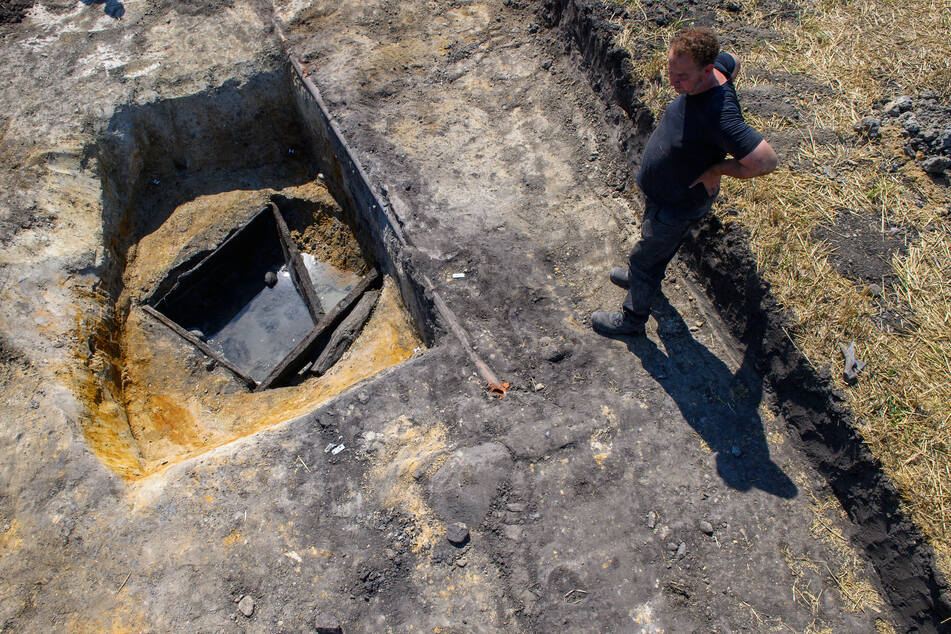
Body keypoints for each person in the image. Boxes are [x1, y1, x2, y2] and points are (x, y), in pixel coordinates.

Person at [591, 27, 777, 337]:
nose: (673, 82)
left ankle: (632, 320)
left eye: (682, 77)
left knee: (644, 257)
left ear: (706, 70)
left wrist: (718, 168)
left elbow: (766, 161)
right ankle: (646, 283)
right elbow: (734, 60)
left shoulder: (721, 116)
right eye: (670, 71)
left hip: (677, 204)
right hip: (668, 196)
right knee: (657, 251)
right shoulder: (718, 68)